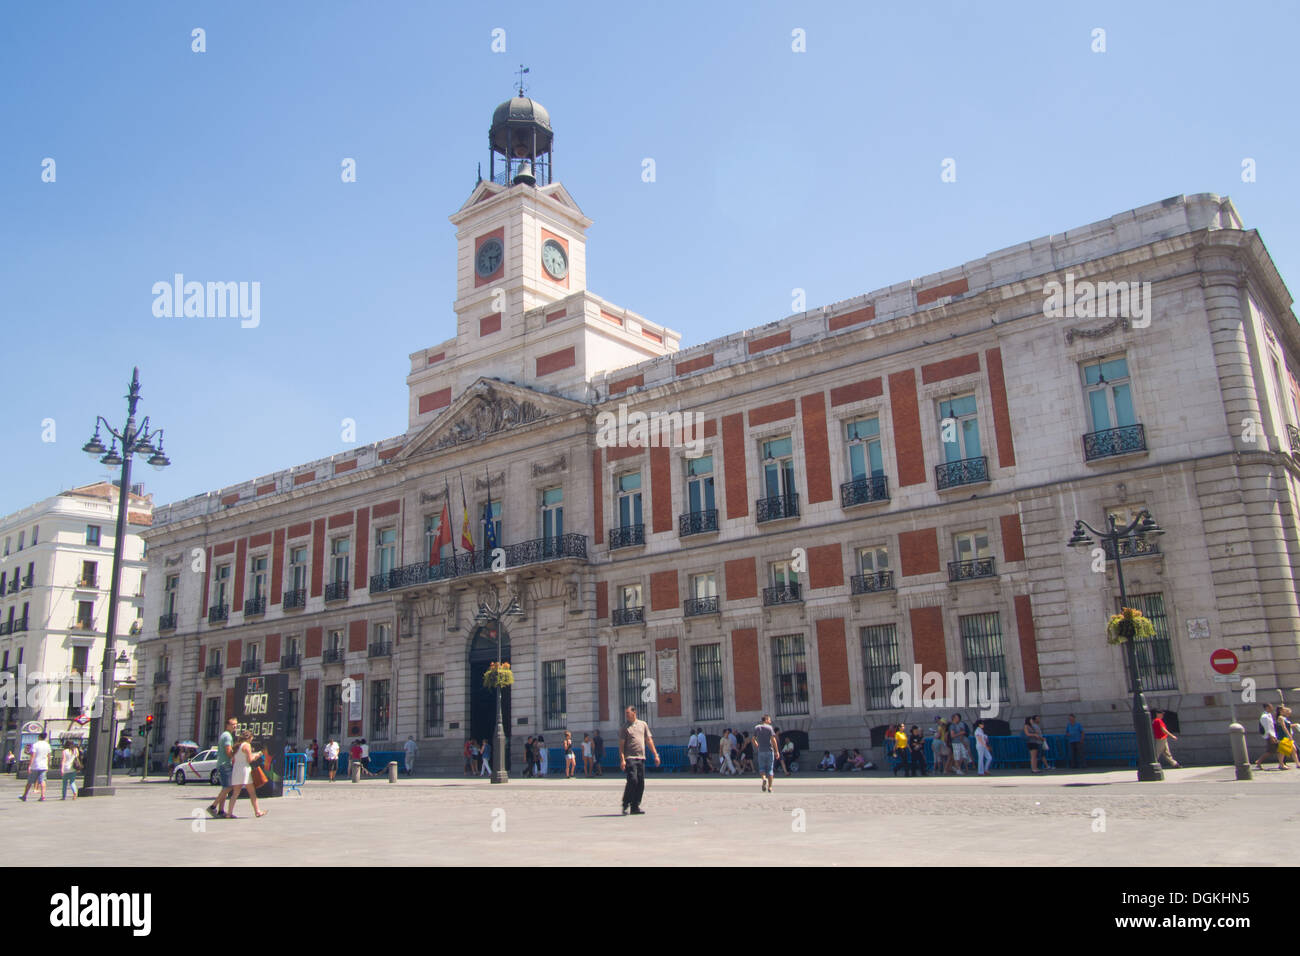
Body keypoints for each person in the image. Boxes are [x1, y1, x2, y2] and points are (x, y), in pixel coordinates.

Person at [618, 706, 659, 814]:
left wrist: (655, 754)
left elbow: (649, 740)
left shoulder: (643, 724)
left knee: (640, 782)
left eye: (628, 713)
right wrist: (622, 759)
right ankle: (625, 803)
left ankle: (635, 806)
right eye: (626, 713)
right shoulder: (624, 727)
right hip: (630, 758)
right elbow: (621, 745)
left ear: (634, 712)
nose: (626, 715)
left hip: (641, 757)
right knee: (633, 780)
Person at [225, 731, 268, 818]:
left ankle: (229, 813)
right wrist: (258, 754)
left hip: (237, 770)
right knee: (252, 793)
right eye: (252, 738)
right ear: (249, 737)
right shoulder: (247, 745)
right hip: (245, 770)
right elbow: (250, 759)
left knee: (235, 793)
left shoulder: (237, 746)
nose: (252, 740)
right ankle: (257, 811)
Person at [206, 717, 239, 818]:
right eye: (233, 724)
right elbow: (228, 751)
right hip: (225, 764)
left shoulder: (226, 735)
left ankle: (221, 810)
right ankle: (213, 806)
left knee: (225, 788)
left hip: (222, 764)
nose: (235, 726)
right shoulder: (227, 736)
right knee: (228, 787)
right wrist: (235, 756)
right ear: (227, 725)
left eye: (236, 724)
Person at [19, 733, 51, 802]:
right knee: (43, 781)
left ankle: (25, 796)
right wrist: (48, 764)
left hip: (35, 766)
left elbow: (32, 756)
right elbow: (49, 756)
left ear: (39, 737)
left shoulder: (35, 745)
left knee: (30, 781)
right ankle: (43, 796)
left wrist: (30, 765)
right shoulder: (47, 745)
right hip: (44, 766)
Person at [753, 714, 779, 792]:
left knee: (762, 768)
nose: (770, 721)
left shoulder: (757, 728)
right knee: (770, 769)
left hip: (761, 751)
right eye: (769, 720)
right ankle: (770, 787)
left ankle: (764, 779)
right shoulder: (769, 728)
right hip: (769, 751)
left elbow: (753, 739)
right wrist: (777, 751)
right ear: (766, 720)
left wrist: (757, 746)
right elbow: (773, 740)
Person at [1256, 703, 1282, 770]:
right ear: (1267, 707)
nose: (1272, 708)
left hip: (1273, 735)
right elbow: (1267, 728)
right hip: (1270, 736)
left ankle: (1281, 764)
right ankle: (1259, 762)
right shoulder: (1264, 717)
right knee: (1270, 751)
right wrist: (1271, 737)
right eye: (1271, 707)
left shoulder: (1269, 715)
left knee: (1279, 749)